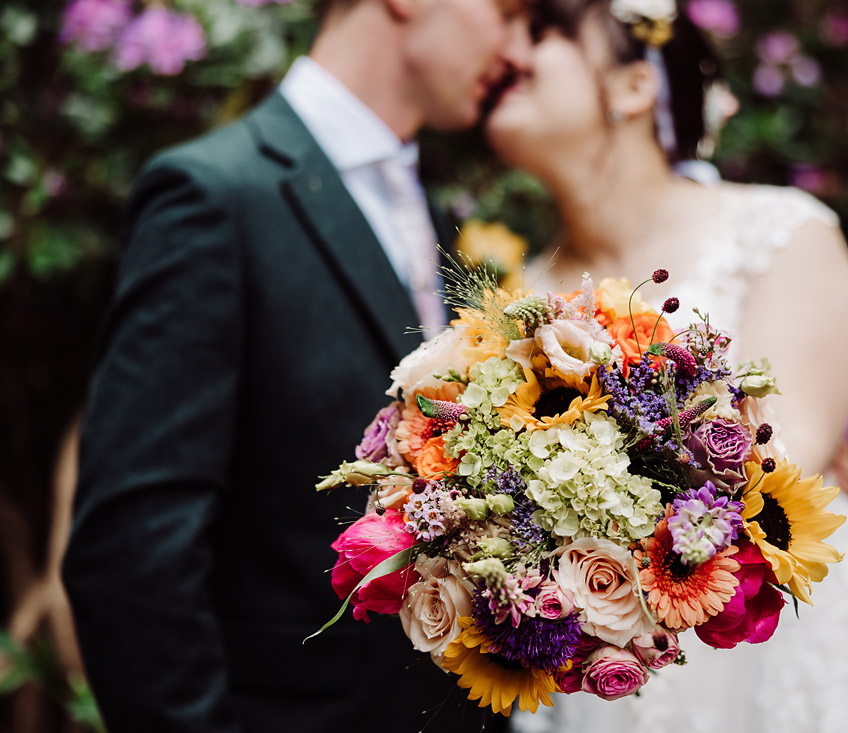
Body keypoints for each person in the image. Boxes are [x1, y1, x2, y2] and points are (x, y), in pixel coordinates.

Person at [484, 1, 848, 730]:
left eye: (545, 30)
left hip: (796, 665)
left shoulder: (783, 237)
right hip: (607, 687)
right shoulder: (510, 306)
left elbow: (772, 476)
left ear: (631, 86)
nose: (507, 52)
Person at [61, 1, 531, 731]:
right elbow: (131, 555)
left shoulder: (431, 217)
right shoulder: (214, 197)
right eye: (508, 10)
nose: (516, 47)